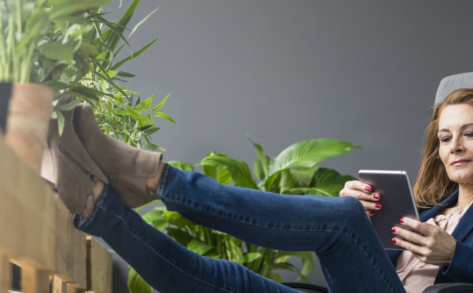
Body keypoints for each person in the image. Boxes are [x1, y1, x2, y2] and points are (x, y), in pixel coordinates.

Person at [42, 88, 473, 293]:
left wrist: (454, 255)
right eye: (446, 137)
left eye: (470, 134)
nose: (455, 146)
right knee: (230, 281)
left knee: (341, 224)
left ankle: (152, 177)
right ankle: (100, 211)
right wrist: (365, 224)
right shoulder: (428, 212)